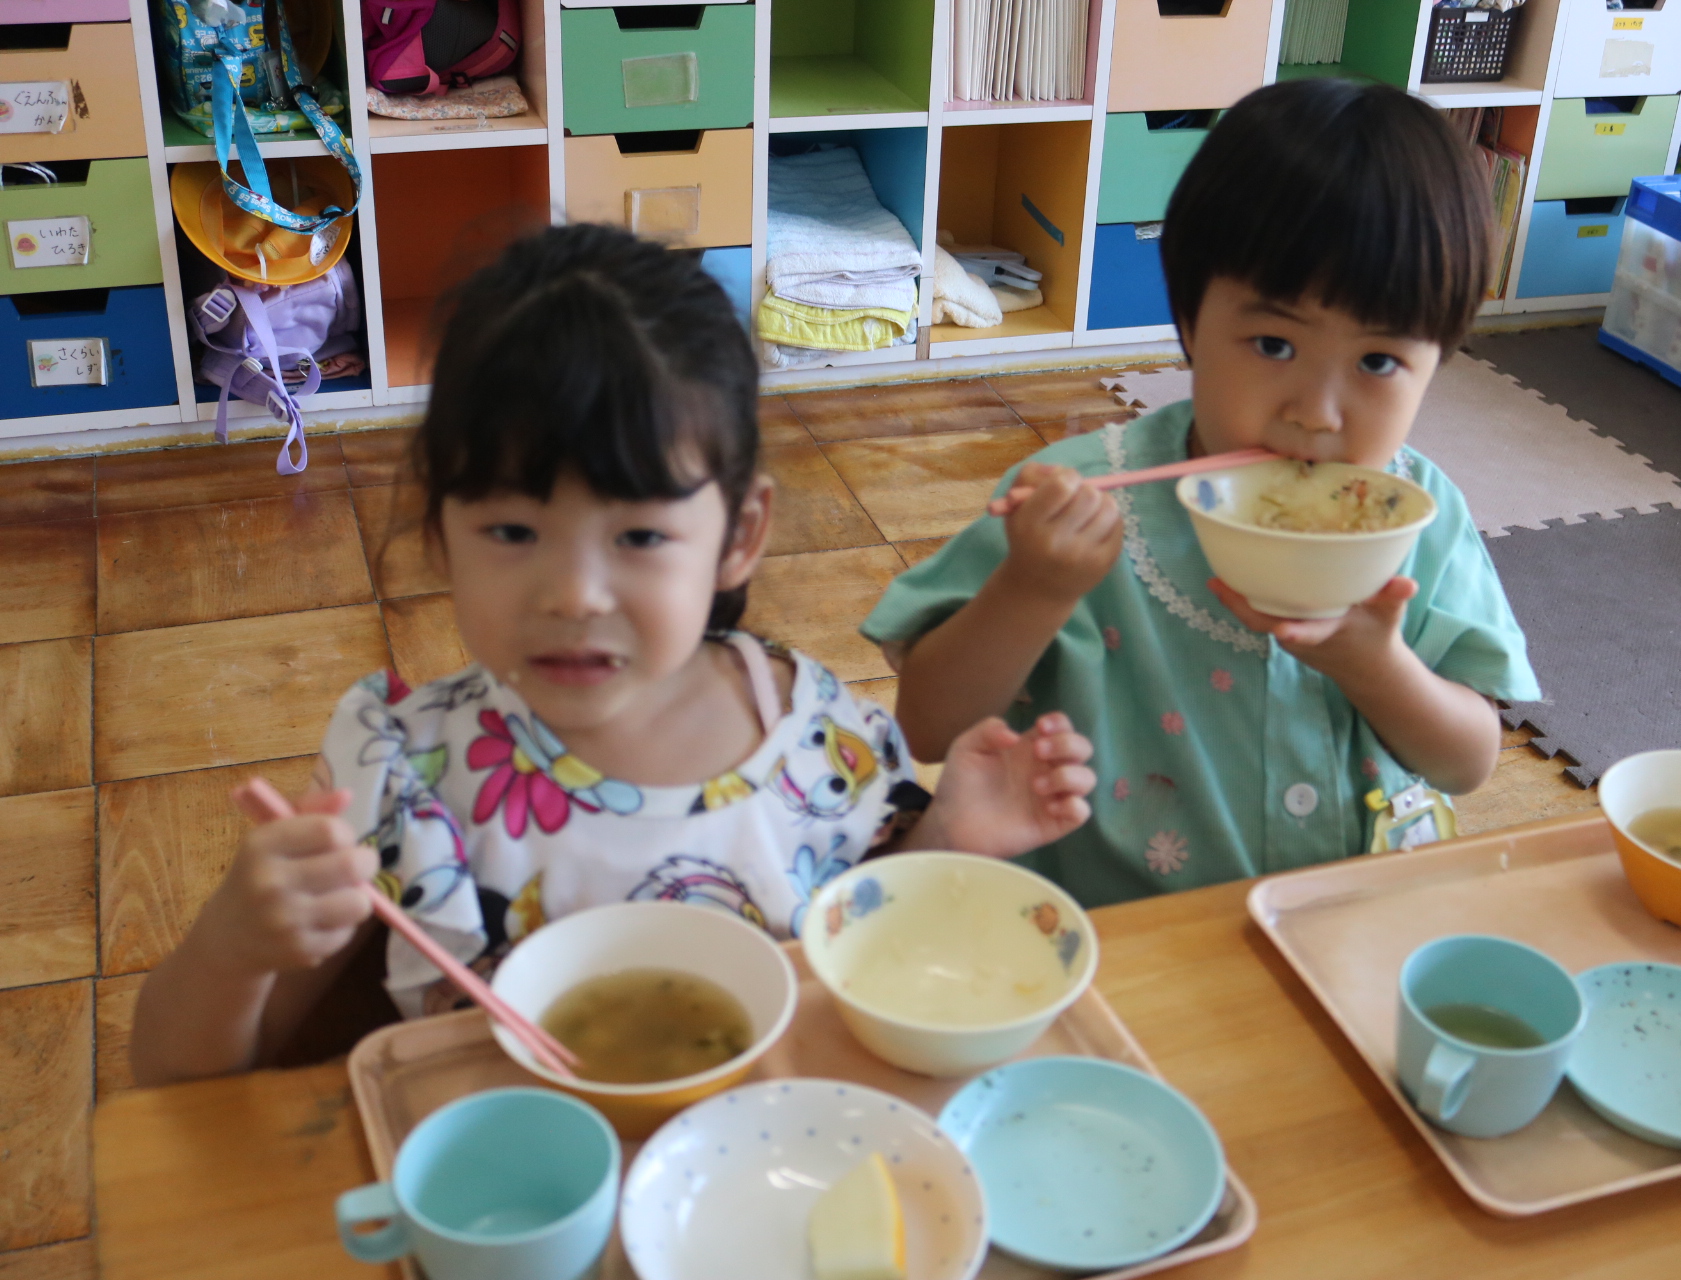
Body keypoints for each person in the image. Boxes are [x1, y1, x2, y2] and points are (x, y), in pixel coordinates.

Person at [131, 226, 1098, 1085]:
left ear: (738, 535)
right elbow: (179, 1084)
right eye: (513, 531)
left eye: (639, 537)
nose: (575, 595)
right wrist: (233, 945)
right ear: (440, 534)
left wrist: (948, 838)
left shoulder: (821, 743)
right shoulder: (403, 774)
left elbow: (872, 953)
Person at [864, 79, 1541, 909]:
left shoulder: (1422, 518)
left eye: (1378, 362)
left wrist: (1375, 664)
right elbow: (928, 727)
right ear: (1189, 322)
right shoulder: (1072, 505)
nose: (1316, 413)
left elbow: (1468, 764)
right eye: (1273, 343)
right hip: (1122, 937)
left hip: (1349, 925)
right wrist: (1032, 587)